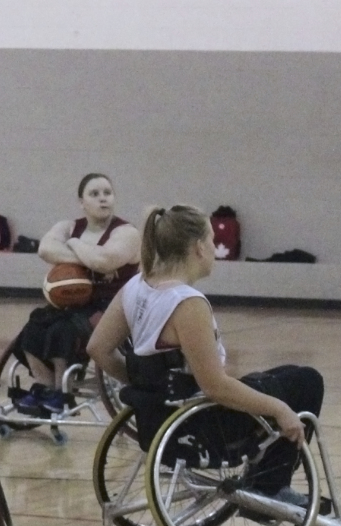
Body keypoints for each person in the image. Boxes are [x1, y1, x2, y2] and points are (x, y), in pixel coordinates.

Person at [86, 204, 316, 501]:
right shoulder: (187, 303)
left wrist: (143, 386)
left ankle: (269, 483)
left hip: (158, 416)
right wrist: (279, 409)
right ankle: (269, 487)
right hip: (202, 427)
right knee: (307, 382)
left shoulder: (135, 286)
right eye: (210, 239)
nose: (213, 246)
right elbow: (215, 386)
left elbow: (98, 349)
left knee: (286, 376)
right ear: (198, 248)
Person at [12, 173, 140, 417]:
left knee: (65, 330)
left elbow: (105, 260)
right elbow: (46, 248)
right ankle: (44, 386)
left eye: (107, 193)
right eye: (95, 194)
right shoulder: (69, 226)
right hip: (76, 301)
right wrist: (90, 259)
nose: (103, 199)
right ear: (82, 202)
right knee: (35, 324)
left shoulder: (127, 232)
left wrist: (73, 244)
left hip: (113, 307)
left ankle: (63, 391)